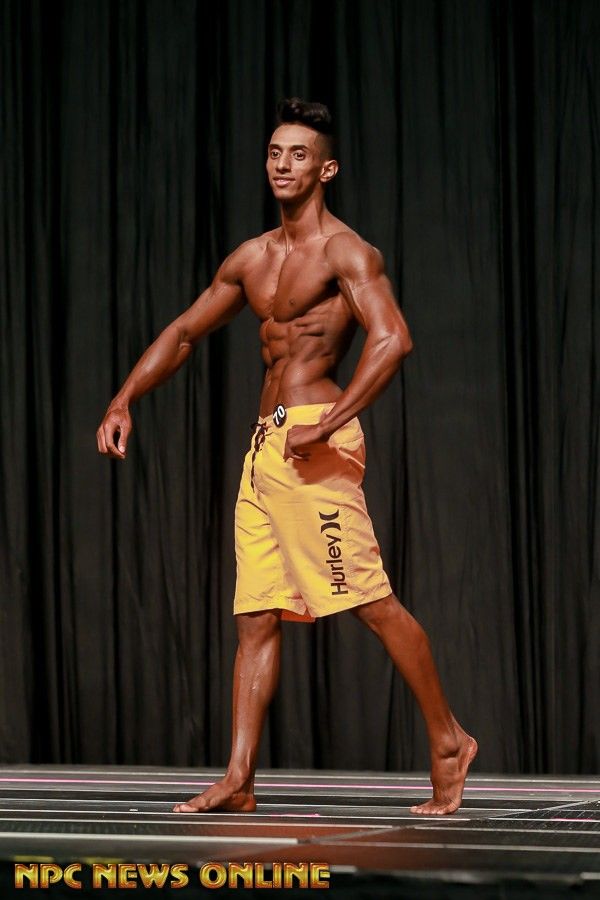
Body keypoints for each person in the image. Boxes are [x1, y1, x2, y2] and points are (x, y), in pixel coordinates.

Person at [97, 98, 477, 816]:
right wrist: (124, 398)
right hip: (264, 447)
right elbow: (184, 332)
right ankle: (239, 777)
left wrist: (332, 420)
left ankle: (449, 739)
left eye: (299, 154)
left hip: (314, 441)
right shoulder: (251, 258)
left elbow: (393, 338)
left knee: (369, 601)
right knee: (256, 616)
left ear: (326, 169)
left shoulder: (347, 252)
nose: (282, 164)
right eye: (275, 152)